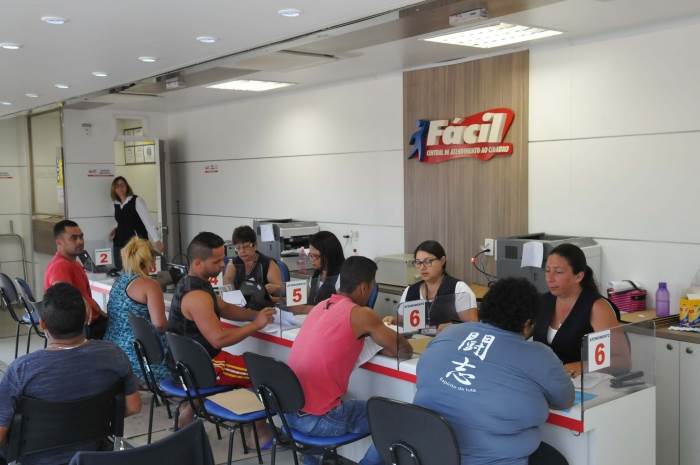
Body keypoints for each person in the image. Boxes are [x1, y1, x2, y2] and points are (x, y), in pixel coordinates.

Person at [413, 277, 574, 465]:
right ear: (527, 323)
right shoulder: (540, 355)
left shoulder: (450, 333)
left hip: (429, 455)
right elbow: (564, 399)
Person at [286, 256, 413, 465]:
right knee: (395, 419)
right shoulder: (361, 314)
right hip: (319, 421)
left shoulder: (320, 306)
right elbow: (404, 350)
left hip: (289, 415)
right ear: (364, 287)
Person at [0, 283, 142, 465]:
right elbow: (133, 406)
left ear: (43, 324)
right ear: (86, 318)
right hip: (92, 456)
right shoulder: (114, 356)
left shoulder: (21, 370)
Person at [167, 232, 275, 428]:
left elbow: (224, 307)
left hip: (189, 364)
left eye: (223, 260)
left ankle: (190, 409)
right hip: (203, 368)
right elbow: (219, 339)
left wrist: (254, 314)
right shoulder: (197, 296)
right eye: (216, 262)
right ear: (198, 263)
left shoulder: (192, 282)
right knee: (263, 374)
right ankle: (260, 434)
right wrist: (256, 325)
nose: (223, 266)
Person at [533, 243, 620, 377]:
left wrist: (580, 366)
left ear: (578, 276)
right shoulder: (543, 301)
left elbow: (621, 361)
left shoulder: (597, 307)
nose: (550, 278)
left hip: (586, 383)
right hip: (547, 381)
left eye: (558, 272)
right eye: (547, 271)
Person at [104, 237, 170, 382]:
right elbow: (159, 325)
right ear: (149, 260)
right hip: (140, 357)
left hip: (112, 351)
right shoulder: (150, 285)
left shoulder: (119, 281)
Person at [384, 240, 478, 328]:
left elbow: (473, 327)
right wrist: (393, 321)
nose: (422, 267)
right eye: (418, 262)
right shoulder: (410, 291)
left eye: (428, 261)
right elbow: (402, 322)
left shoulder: (459, 289)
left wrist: (452, 327)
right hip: (416, 339)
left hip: (447, 339)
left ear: (442, 261)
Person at [44, 219, 108, 339]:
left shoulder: (75, 263)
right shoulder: (60, 265)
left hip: (94, 322)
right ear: (59, 242)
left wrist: (100, 312)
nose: (80, 241)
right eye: (73, 238)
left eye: (81, 237)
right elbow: (61, 292)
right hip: (86, 328)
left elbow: (86, 296)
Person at [109, 176, 164, 270]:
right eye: (117, 186)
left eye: (122, 185)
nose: (120, 188)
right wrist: (116, 228)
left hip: (136, 244)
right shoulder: (116, 203)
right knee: (120, 270)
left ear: (127, 186)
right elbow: (123, 220)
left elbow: (148, 222)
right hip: (119, 243)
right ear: (114, 189)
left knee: (137, 270)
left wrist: (157, 240)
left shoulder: (136, 201)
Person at [223, 225, 282, 309]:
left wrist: (276, 288)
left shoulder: (268, 264)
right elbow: (228, 291)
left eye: (246, 246)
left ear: (255, 245)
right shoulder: (233, 265)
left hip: (265, 308)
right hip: (240, 308)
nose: (242, 251)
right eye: (238, 248)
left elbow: (280, 293)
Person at [291, 231, 345, 314]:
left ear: (329, 255)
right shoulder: (317, 274)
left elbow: (340, 309)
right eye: (310, 255)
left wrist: (305, 309)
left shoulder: (341, 277)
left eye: (316, 256)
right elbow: (307, 297)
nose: (312, 260)